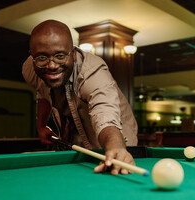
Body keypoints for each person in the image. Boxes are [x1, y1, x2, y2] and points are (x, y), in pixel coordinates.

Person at [22, 19, 138, 175]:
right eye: (42, 58)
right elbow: (42, 93)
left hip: (116, 138)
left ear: (74, 54)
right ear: (32, 56)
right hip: (73, 135)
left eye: (60, 56)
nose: (52, 65)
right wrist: (41, 125)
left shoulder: (94, 73)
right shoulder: (30, 69)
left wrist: (116, 147)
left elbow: (105, 115)